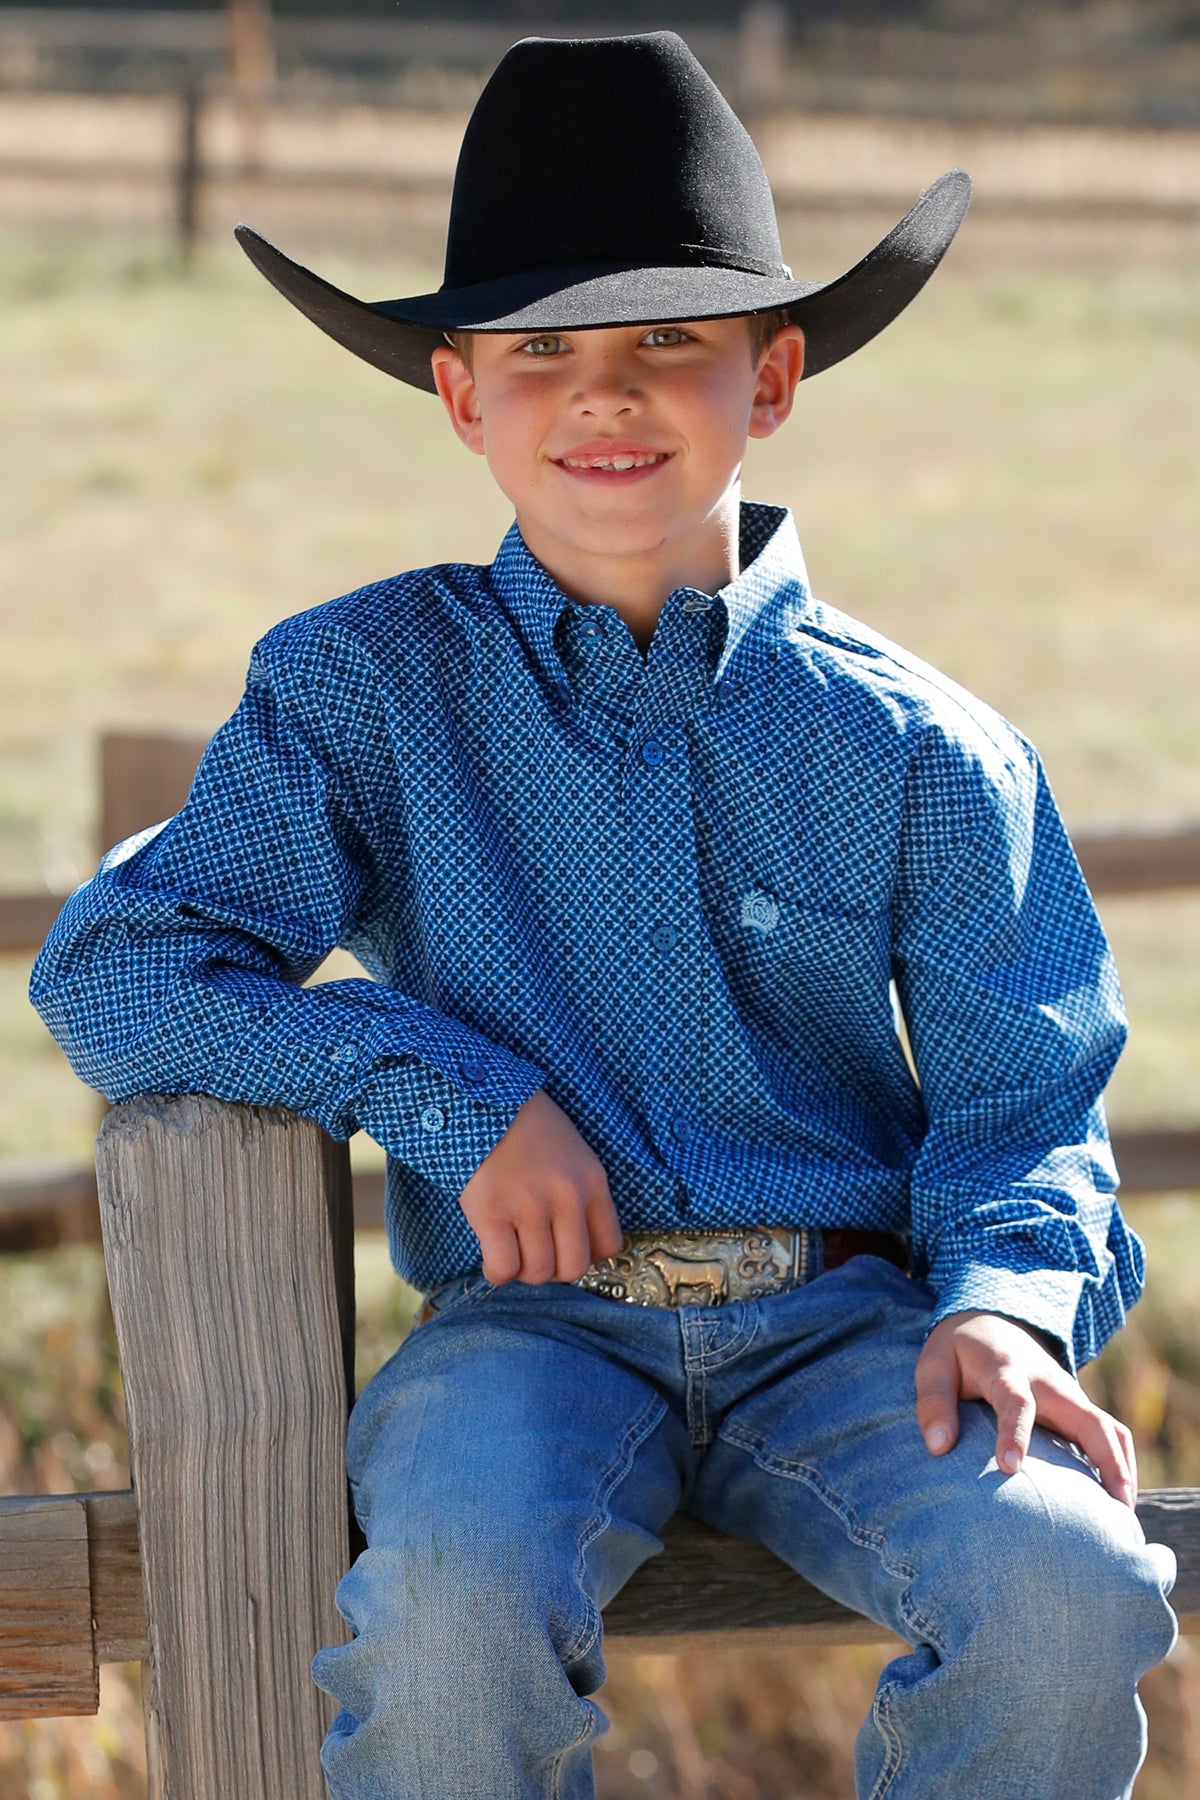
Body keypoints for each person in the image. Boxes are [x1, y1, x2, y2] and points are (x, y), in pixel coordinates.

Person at [32, 31, 1176, 1800]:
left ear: (774, 376)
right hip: (531, 1336)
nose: (605, 396)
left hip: (860, 1333)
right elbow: (119, 967)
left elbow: (1026, 1109)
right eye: (541, 351)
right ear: (458, 394)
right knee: (442, 1605)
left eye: (671, 343)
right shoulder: (363, 687)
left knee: (1072, 1586)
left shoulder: (928, 747)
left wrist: (1008, 1306)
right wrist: (446, 1088)